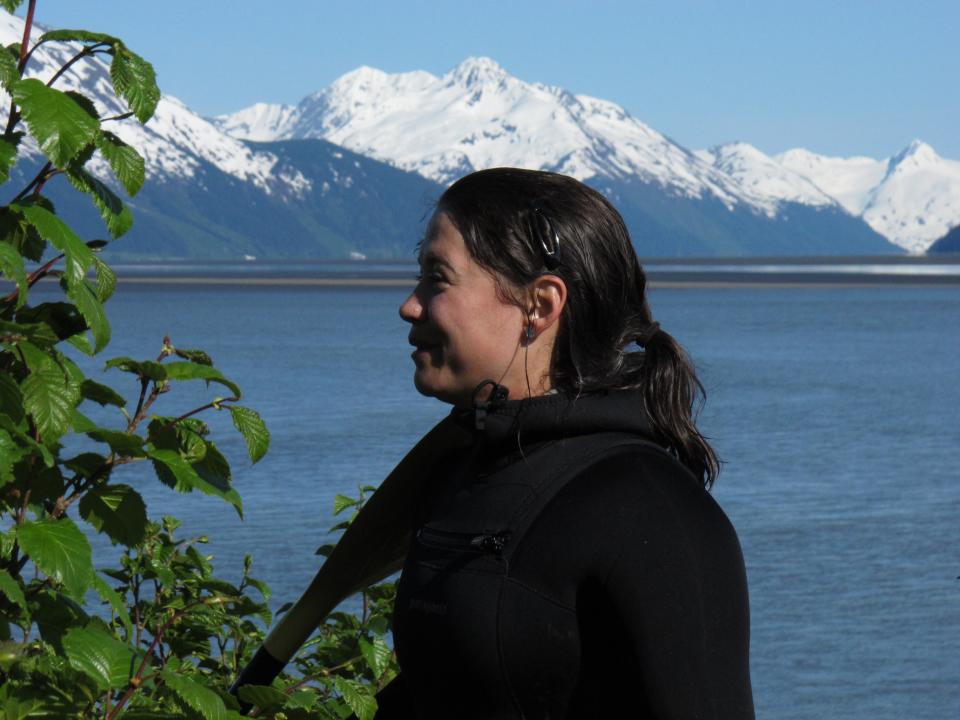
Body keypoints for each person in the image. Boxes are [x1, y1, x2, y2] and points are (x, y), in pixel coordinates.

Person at [371, 167, 754, 719]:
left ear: (540, 305)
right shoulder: (461, 473)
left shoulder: (653, 511)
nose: (410, 305)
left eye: (438, 277)